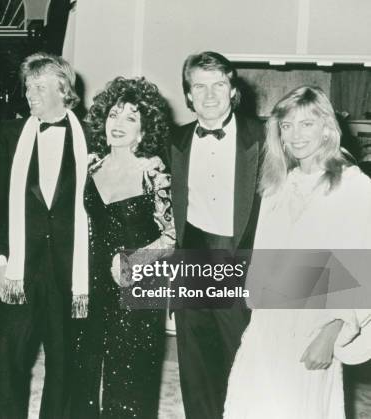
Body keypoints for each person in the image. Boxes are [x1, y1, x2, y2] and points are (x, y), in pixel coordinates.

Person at [223, 86, 371, 419]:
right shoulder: (278, 185)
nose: (296, 134)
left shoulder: (355, 187)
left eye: (307, 124)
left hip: (314, 326)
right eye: (287, 125)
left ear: (327, 128)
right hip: (268, 324)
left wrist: (332, 331)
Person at [0, 52, 89, 419]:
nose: (30, 94)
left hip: (68, 271)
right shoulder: (10, 134)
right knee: (11, 361)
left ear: (64, 90)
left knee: (63, 364)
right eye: (28, 87)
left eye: (40, 87)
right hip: (18, 270)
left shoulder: (89, 138)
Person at [165, 51, 264, 419]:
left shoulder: (264, 136)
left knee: (243, 366)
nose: (209, 95)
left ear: (233, 89)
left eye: (218, 84)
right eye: (199, 87)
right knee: (194, 368)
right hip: (191, 259)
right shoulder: (173, 140)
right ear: (188, 95)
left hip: (241, 262)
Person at [70, 77, 176, 418]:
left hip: (140, 283)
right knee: (86, 368)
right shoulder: (91, 167)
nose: (118, 123)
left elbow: (173, 236)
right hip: (93, 281)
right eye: (114, 114)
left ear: (144, 130)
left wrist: (134, 262)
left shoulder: (155, 175)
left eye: (131, 118)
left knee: (130, 375)